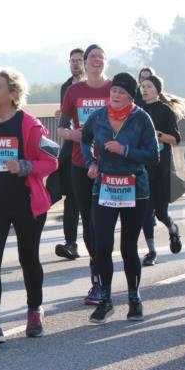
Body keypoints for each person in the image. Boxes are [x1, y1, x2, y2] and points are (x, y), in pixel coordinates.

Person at [0, 68, 58, 344]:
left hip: (26, 202)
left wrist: (24, 166)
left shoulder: (29, 125)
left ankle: (34, 310)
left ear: (13, 93)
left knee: (28, 258)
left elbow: (52, 161)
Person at [80, 72, 160, 323]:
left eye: (122, 92)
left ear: (130, 97)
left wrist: (125, 150)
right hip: (104, 187)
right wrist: (91, 163)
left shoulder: (141, 119)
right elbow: (84, 140)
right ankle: (105, 299)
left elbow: (153, 155)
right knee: (101, 245)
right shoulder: (99, 116)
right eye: (113, 90)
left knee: (128, 248)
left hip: (135, 189)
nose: (115, 95)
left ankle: (134, 299)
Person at [59, 44, 112, 305]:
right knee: (89, 221)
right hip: (80, 164)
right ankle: (98, 280)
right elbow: (61, 127)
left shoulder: (114, 89)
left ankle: (107, 277)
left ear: (105, 62)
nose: (96, 61)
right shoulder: (74, 91)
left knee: (104, 223)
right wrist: (73, 134)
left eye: (101, 57)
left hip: (112, 166)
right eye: (92, 57)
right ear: (86, 62)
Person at [138, 74, 184, 266]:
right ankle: (151, 251)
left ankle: (173, 228)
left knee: (161, 213)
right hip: (143, 169)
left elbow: (176, 139)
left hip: (162, 168)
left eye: (149, 86)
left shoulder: (165, 111)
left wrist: (158, 135)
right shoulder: (137, 111)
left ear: (157, 89)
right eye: (143, 86)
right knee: (145, 211)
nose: (145, 89)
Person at [53, 48, 86, 260]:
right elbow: (65, 117)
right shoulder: (66, 86)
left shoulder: (96, 87)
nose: (75, 64)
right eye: (72, 61)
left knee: (89, 200)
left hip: (94, 149)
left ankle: (96, 240)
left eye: (79, 60)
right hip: (70, 148)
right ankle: (71, 243)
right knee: (69, 197)